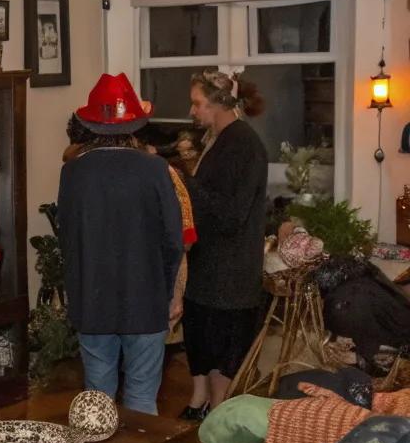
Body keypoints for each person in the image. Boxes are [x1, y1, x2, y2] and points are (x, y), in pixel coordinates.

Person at [57, 73, 183, 415]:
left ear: (91, 125)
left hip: (92, 301)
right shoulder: (155, 169)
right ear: (134, 126)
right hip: (146, 299)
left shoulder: (72, 172)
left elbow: (67, 238)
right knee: (142, 399)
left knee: (97, 402)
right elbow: (173, 239)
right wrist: (168, 291)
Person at [182, 68, 269, 419]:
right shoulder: (217, 139)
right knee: (200, 336)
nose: (192, 111)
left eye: (197, 103)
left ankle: (216, 414)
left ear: (218, 103)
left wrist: (186, 184)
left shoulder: (244, 145)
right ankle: (198, 402)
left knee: (223, 345)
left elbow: (232, 214)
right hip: (208, 267)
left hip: (230, 273)